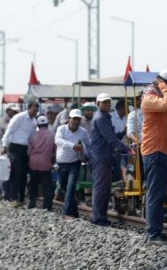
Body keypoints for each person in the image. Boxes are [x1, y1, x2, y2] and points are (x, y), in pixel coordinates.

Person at [141, 69, 167, 246]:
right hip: (155, 151)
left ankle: (154, 231)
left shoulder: (161, 96)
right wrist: (164, 86)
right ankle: (153, 233)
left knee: (157, 193)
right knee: (155, 194)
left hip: (161, 152)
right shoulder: (150, 97)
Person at [88, 93, 130, 226]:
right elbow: (110, 138)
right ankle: (97, 218)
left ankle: (102, 217)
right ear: (97, 104)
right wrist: (126, 149)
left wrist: (122, 134)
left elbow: (111, 136)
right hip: (100, 156)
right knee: (100, 188)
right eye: (104, 102)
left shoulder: (105, 117)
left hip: (105, 156)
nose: (107, 104)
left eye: (108, 102)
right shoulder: (100, 118)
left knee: (105, 189)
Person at [1, 100, 39, 208]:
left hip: (25, 150)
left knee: (23, 175)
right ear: (29, 108)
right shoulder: (19, 117)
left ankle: (21, 199)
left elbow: (32, 137)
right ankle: (13, 198)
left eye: (36, 111)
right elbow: (9, 130)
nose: (35, 112)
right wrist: (4, 145)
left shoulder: (33, 121)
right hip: (14, 148)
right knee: (15, 174)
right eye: (34, 110)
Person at [55, 109, 90, 217]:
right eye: (74, 119)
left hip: (75, 163)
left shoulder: (83, 132)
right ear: (69, 119)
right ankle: (74, 213)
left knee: (71, 187)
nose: (76, 121)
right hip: (62, 163)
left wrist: (85, 154)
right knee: (64, 188)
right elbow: (58, 141)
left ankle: (65, 213)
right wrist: (73, 146)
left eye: (78, 119)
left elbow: (87, 145)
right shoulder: (61, 129)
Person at [27, 115, 56, 210]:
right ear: (47, 124)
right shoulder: (52, 134)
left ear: (38, 125)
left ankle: (31, 203)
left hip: (33, 162)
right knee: (47, 186)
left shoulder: (33, 135)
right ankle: (47, 207)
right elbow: (55, 150)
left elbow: (29, 151)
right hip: (45, 163)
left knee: (33, 184)